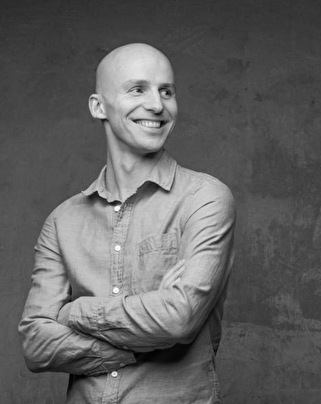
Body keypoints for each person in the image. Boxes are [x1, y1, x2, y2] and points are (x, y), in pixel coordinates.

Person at [18, 43, 236, 403]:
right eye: (137, 89)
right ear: (98, 106)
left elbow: (179, 318)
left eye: (166, 91)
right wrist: (145, 337)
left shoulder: (205, 199)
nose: (157, 105)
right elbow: (36, 345)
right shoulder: (62, 221)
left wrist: (74, 312)